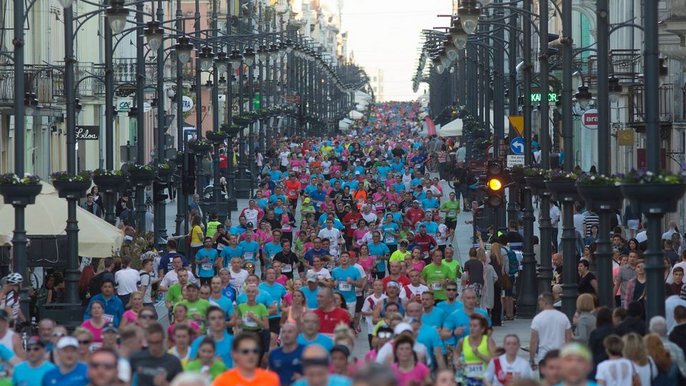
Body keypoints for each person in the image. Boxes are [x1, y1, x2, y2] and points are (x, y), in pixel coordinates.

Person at [212, 332, 280, 386]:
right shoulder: (223, 381)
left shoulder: (271, 379)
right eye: (245, 351)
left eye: (255, 351)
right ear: (234, 354)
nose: (251, 355)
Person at [530, 293, 572, 366]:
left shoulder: (538, 318)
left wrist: (531, 359)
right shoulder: (563, 317)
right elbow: (568, 339)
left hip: (544, 356)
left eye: (540, 300)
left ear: (544, 302)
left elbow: (533, 341)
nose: (539, 302)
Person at [454, 313, 496, 385]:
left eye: (475, 326)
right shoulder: (463, 341)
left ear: (482, 329)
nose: (472, 328)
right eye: (470, 326)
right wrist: (457, 361)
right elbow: (456, 352)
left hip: (484, 381)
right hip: (467, 381)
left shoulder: (488, 341)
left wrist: (479, 354)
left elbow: (495, 361)